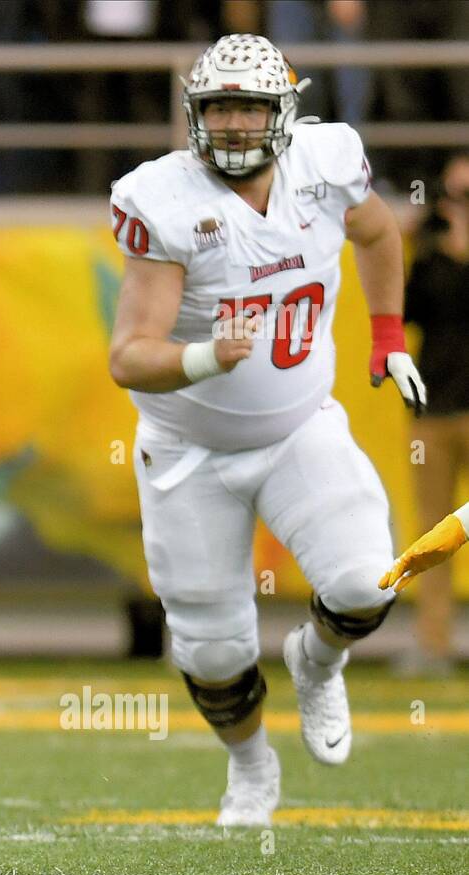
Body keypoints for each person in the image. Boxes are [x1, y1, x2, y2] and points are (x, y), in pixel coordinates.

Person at [107, 35, 425, 828]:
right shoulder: (166, 201)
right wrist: (209, 355)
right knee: (211, 652)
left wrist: (388, 334)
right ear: (195, 114)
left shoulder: (326, 165)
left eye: (251, 106)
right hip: (189, 451)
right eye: (220, 107)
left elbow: (380, 234)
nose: (236, 124)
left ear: (284, 112)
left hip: (299, 428)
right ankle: (251, 767)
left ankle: (317, 662)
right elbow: (128, 357)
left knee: (364, 581)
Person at [391, 154, 469, 674]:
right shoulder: (429, 257)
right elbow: (405, 312)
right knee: (435, 534)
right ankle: (434, 641)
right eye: (456, 195)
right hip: (436, 409)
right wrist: (413, 246)